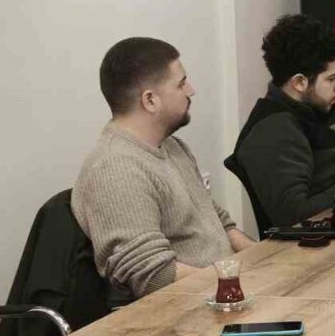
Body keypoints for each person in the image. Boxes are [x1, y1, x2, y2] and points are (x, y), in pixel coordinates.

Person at [73, 38, 254, 303]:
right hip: (183, 310)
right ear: (150, 100)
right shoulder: (115, 168)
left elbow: (218, 222)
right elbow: (151, 275)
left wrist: (265, 260)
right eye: (181, 83)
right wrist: (231, 284)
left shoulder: (173, 146)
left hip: (220, 294)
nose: (191, 90)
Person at [231, 14, 335, 231]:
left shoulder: (316, 110)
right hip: (308, 248)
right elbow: (294, 216)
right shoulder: (272, 131)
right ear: (299, 82)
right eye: (331, 78)